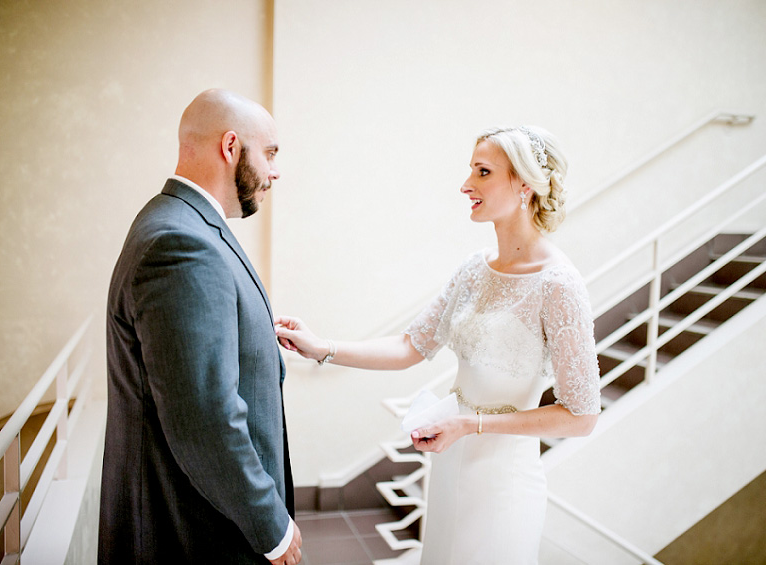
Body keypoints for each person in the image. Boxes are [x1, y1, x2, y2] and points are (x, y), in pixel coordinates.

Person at [275, 125, 601, 564]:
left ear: (524, 185)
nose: (466, 185)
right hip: (451, 463)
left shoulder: (559, 284)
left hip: (503, 481)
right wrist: (323, 348)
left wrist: (471, 424)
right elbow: (410, 345)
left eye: (483, 172)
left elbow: (581, 416)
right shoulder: (474, 269)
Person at [99, 89, 302, 565]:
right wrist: (269, 526)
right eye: (269, 153)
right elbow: (204, 418)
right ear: (231, 147)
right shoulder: (180, 243)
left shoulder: (177, 220)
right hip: (196, 529)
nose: (275, 172)